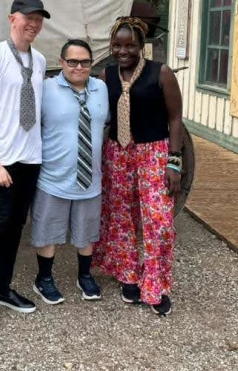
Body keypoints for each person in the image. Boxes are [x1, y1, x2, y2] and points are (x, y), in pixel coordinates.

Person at [92, 16, 183, 316]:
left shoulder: (162, 73)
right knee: (121, 216)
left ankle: (156, 285)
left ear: (141, 46)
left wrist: (174, 161)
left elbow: (175, 119)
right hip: (118, 153)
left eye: (130, 45)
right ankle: (129, 274)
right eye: (117, 45)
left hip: (154, 152)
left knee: (158, 222)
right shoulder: (107, 76)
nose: (123, 50)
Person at [0, 0, 50, 335]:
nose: (33, 23)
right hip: (3, 161)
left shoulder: (41, 60)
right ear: (12, 18)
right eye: (27, 17)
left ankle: (3, 289)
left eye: (39, 19)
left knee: (17, 226)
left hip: (30, 158)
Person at [31, 39, 109, 305]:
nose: (79, 67)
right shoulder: (46, 89)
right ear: (62, 62)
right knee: (47, 230)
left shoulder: (101, 89)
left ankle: (85, 276)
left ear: (91, 64)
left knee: (86, 232)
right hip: (54, 177)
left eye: (85, 62)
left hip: (90, 178)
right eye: (72, 61)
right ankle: (44, 278)